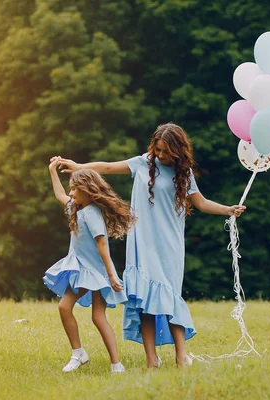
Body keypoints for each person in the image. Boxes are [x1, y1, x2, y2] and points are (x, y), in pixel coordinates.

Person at [58, 123, 246, 368]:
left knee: (170, 297)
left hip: (169, 243)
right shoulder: (143, 163)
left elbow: (200, 203)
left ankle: (181, 357)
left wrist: (228, 209)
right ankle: (151, 360)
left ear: (178, 151)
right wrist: (80, 166)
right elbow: (107, 167)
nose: (160, 156)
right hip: (141, 240)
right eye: (158, 150)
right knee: (144, 299)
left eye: (166, 152)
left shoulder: (184, 173)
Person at [43, 157, 135, 374]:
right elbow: (59, 195)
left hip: (95, 272)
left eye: (75, 189)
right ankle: (79, 353)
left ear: (87, 190)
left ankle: (116, 365)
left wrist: (111, 276)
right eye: (71, 189)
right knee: (66, 307)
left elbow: (102, 245)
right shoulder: (77, 208)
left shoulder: (91, 213)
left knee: (97, 317)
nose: (71, 193)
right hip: (81, 269)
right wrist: (52, 172)